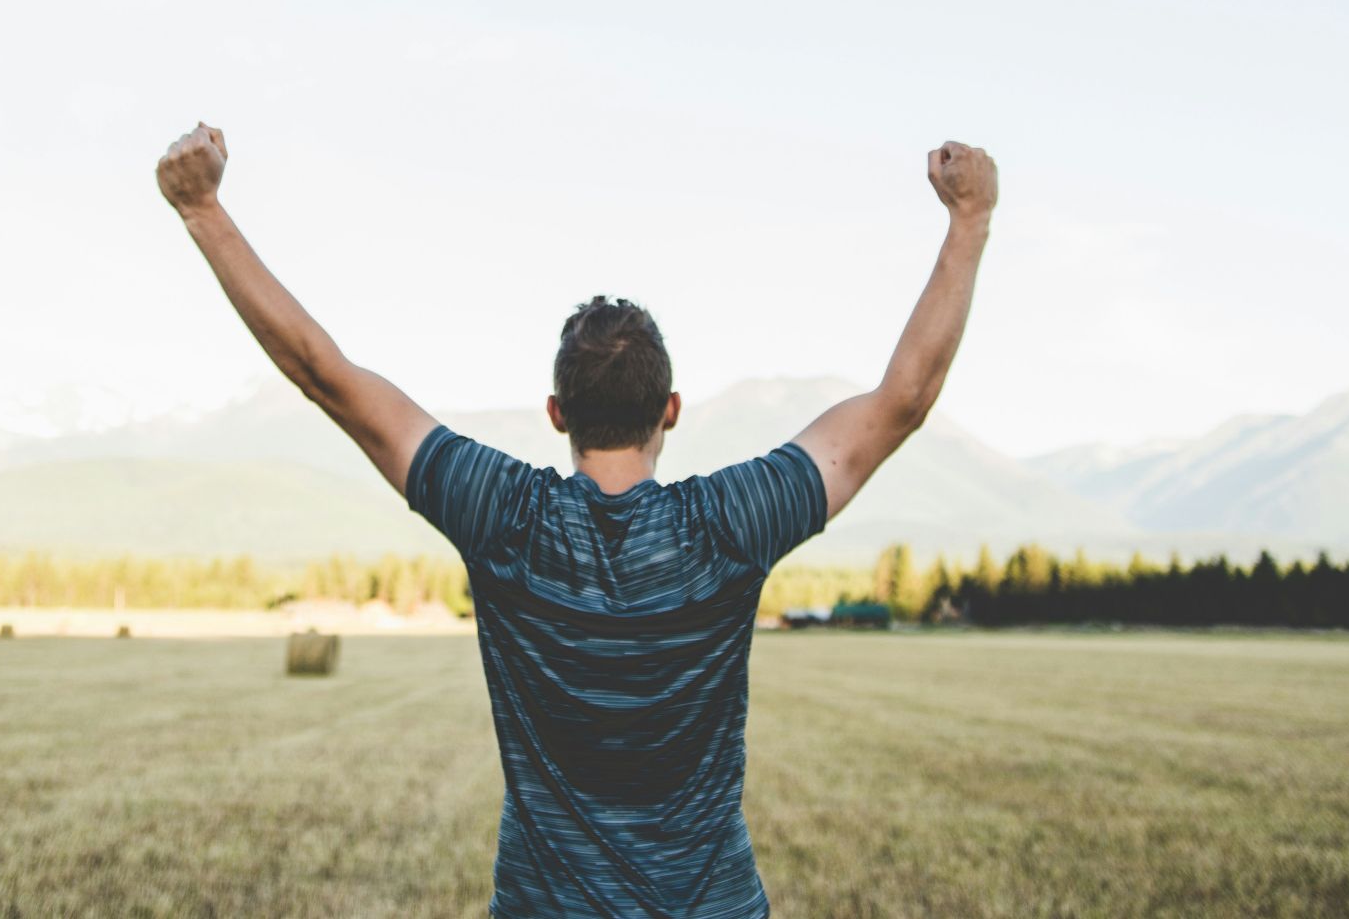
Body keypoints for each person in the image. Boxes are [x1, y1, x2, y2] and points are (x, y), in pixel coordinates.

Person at [155, 123, 997, 918]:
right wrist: (970, 219)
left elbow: (324, 375)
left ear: (557, 412)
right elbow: (903, 401)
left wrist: (204, 211)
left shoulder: (503, 517)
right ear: (670, 409)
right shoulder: (731, 524)